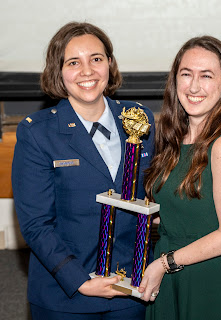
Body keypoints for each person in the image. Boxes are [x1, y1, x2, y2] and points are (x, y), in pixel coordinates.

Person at [12, 22, 155, 320]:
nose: (87, 71)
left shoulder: (139, 119)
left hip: (131, 289)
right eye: (73, 62)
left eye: (96, 59)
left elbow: (150, 196)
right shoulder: (37, 133)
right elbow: (36, 223)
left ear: (110, 64)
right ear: (58, 72)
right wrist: (80, 280)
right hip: (66, 294)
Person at [138, 35, 221, 319]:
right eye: (186, 74)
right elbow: (182, 210)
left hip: (212, 279)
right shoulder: (174, 139)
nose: (194, 86)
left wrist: (164, 264)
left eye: (206, 76)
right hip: (172, 270)